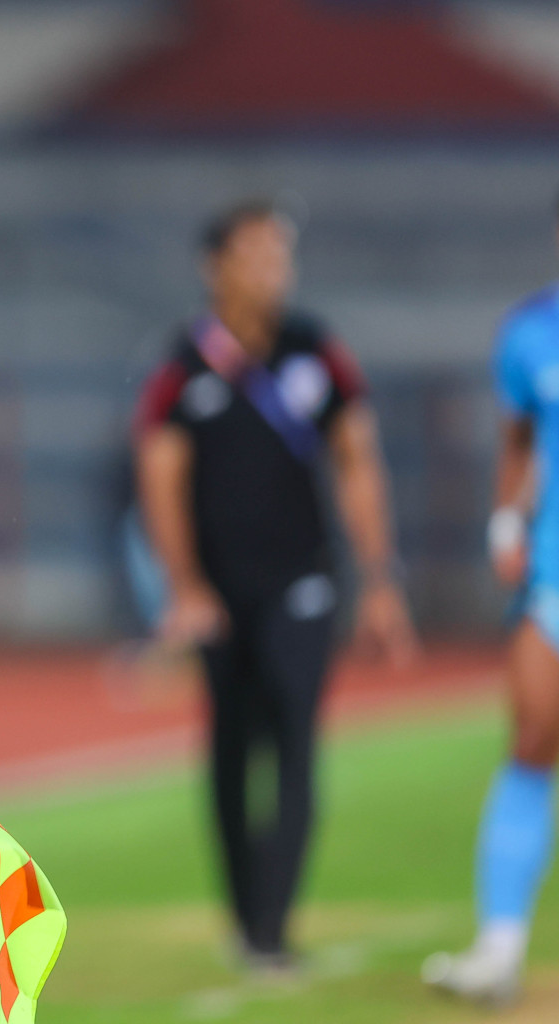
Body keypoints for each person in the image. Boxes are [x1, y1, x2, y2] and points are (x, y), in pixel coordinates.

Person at [134, 200, 416, 970]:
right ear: (215, 267)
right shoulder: (183, 366)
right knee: (230, 744)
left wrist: (381, 578)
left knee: (295, 736)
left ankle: (273, 930)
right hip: (220, 595)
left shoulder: (316, 351)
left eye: (282, 255)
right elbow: (160, 477)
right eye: (258, 254)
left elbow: (358, 460)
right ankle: (244, 915)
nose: (275, 270)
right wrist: (185, 585)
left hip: (304, 581)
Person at [423, 193, 559, 1005]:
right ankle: (499, 949)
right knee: (534, 732)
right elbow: (520, 441)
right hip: (552, 570)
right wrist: (507, 518)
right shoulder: (529, 332)